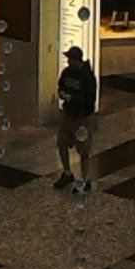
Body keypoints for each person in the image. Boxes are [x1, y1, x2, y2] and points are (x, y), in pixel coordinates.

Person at [54, 45, 98, 192]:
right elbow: (60, 86)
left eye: (70, 59)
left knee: (84, 150)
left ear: (76, 60)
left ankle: (86, 179)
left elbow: (89, 99)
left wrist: (72, 98)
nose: (67, 62)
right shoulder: (66, 73)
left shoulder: (87, 77)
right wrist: (62, 94)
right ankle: (67, 172)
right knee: (61, 142)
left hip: (82, 118)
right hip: (68, 115)